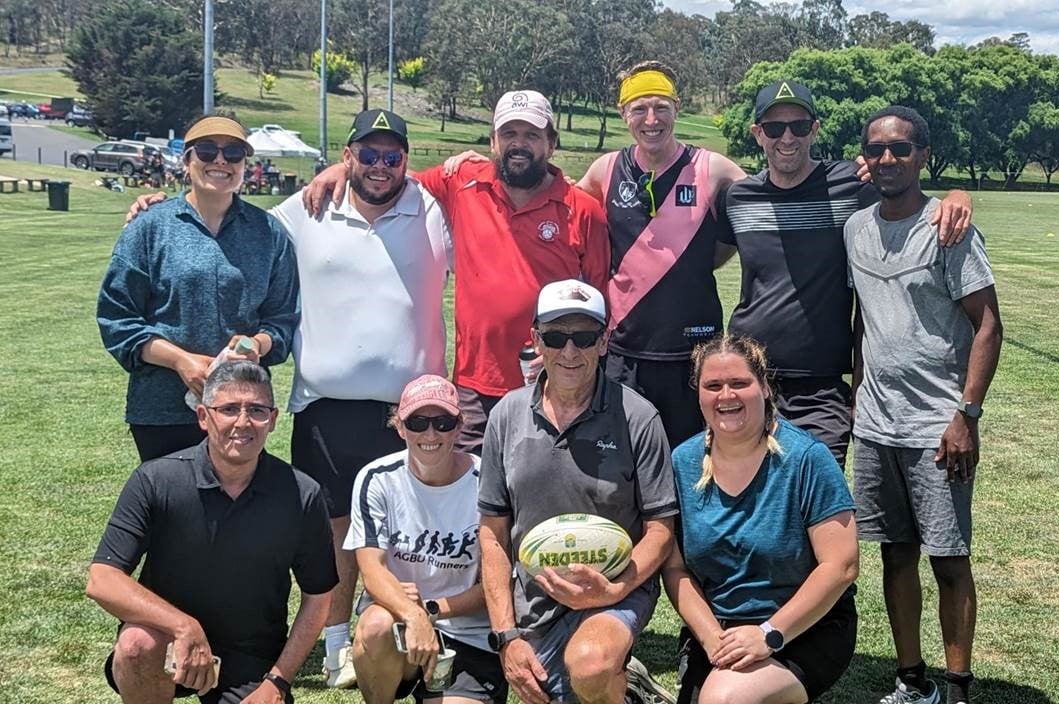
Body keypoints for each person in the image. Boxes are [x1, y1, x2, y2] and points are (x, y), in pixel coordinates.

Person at [126, 108, 455, 689]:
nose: (381, 165)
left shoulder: (432, 208)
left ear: (407, 160)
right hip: (326, 403)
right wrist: (160, 208)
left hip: (408, 409)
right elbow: (230, 215)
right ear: (347, 155)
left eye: (392, 155)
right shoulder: (306, 210)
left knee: (399, 528)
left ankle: (396, 633)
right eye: (367, 153)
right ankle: (334, 649)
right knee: (332, 531)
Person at [441, 63, 744, 447]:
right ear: (623, 114)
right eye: (639, 108)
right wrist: (485, 163)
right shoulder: (606, 169)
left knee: (691, 463)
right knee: (621, 465)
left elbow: (763, 203)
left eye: (661, 107)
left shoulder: (712, 167)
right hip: (622, 351)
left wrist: (708, 257)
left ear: (677, 108)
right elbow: (559, 197)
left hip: (692, 351)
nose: (651, 120)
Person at [303, 90, 610, 455]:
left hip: (554, 380)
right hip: (473, 388)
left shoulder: (583, 210)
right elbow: (393, 174)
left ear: (551, 144)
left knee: (547, 488)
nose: (519, 145)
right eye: (509, 134)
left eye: (531, 135)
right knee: (473, 498)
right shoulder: (461, 181)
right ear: (493, 140)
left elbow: (601, 302)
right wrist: (345, 167)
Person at [717, 80, 973, 464]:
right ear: (757, 134)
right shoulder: (738, 199)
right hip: (749, 377)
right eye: (774, 128)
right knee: (751, 498)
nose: (787, 137)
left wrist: (957, 196)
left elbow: (905, 193)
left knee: (819, 502)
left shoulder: (852, 186)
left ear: (815, 129)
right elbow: (708, 259)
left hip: (823, 386)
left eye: (799, 126)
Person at [844, 106, 1003, 704]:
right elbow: (863, 321)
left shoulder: (949, 228)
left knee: (950, 559)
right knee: (895, 554)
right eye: (877, 149)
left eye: (902, 149)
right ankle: (911, 680)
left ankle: (958, 687)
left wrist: (967, 415)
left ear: (923, 156)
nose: (889, 159)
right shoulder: (855, 228)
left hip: (938, 424)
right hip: (877, 423)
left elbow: (987, 325)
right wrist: (860, 395)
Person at [86, 361, 338, 704]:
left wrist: (277, 681)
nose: (243, 422)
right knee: (136, 645)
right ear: (204, 417)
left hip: (252, 656)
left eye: (257, 410)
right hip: (168, 642)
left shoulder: (301, 494)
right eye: (229, 409)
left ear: (274, 419)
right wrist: (182, 626)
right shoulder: (155, 480)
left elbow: (318, 597)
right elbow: (102, 579)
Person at [477, 280, 677, 704]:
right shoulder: (506, 417)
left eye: (584, 337)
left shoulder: (639, 418)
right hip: (536, 598)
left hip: (616, 587)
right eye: (555, 337)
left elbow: (660, 531)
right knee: (561, 689)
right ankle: (629, 690)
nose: (569, 352)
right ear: (536, 341)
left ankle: (612, 674)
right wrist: (507, 636)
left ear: (604, 341)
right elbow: (493, 534)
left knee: (589, 664)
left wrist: (615, 588)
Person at [663, 334, 858, 704]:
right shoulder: (682, 463)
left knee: (725, 699)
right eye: (713, 386)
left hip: (804, 627)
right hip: (719, 629)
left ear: (765, 387)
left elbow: (841, 566)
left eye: (739, 383)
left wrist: (769, 634)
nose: (726, 396)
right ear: (699, 393)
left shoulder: (807, 459)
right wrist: (711, 640)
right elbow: (675, 570)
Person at [98, 114, 298, 462]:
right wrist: (180, 361)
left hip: (241, 411)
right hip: (162, 410)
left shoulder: (269, 233)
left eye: (233, 153)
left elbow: (282, 319)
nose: (220, 160)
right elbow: (117, 318)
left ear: (245, 165)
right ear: (186, 160)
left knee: (239, 511)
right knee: (172, 511)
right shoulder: (149, 228)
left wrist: (256, 345)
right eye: (207, 151)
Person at [346, 374, 507, 704]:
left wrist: (429, 611)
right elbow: (371, 569)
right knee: (375, 625)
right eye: (417, 422)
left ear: (460, 427)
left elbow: (497, 582)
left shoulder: (487, 481)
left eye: (443, 422)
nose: (430, 434)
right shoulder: (376, 478)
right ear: (400, 427)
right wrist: (412, 615)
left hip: (468, 634)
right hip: (399, 622)